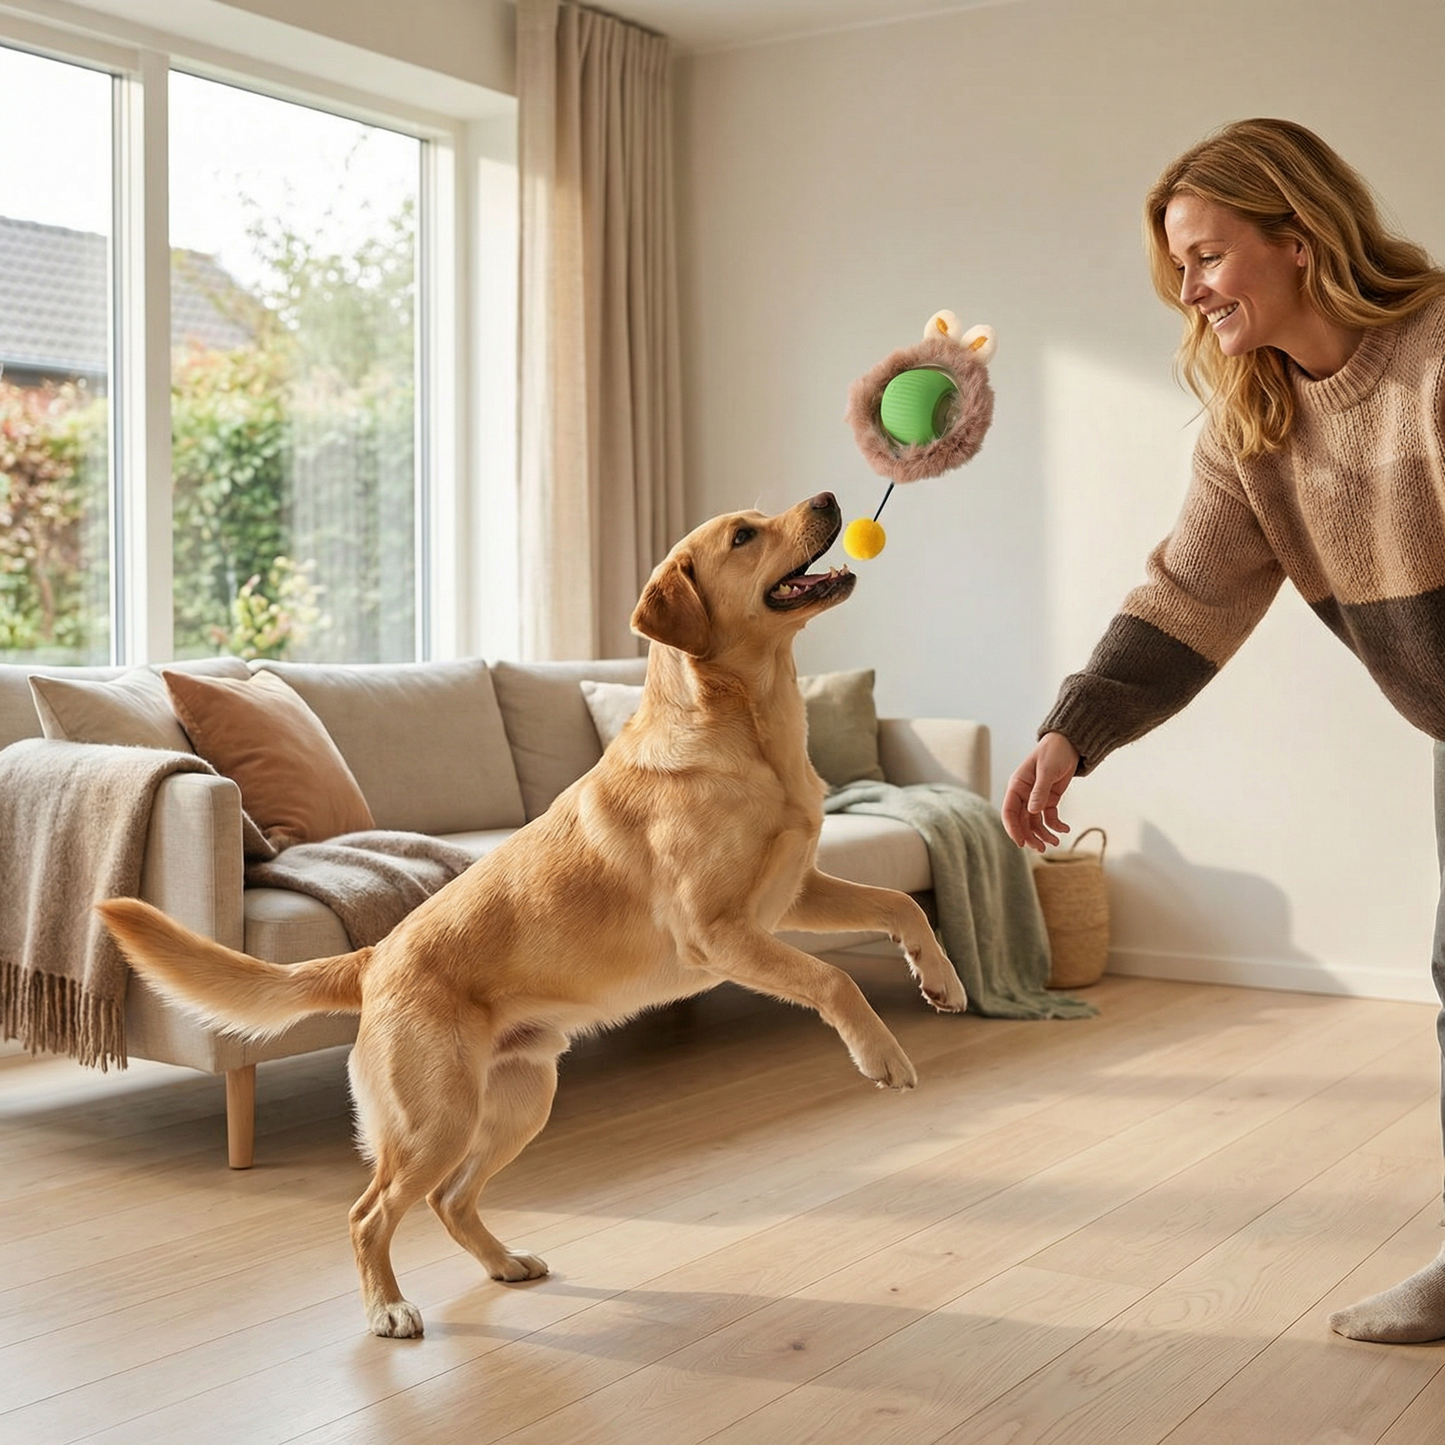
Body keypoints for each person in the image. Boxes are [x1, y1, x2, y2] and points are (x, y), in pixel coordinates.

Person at [1001, 116, 1445, 1344]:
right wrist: (1069, 733)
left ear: (1297, 242)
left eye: (1203, 259)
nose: (1188, 296)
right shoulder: (1254, 425)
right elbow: (1189, 591)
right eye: (1176, 271)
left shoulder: (1435, 358)